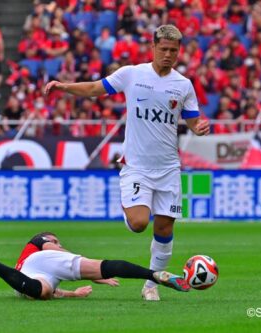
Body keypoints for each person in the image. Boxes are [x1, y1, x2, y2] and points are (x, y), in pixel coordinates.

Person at [44, 25, 209, 301]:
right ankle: (128, 204)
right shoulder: (132, 74)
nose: (168, 55)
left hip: (168, 167)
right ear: (153, 47)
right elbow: (96, 88)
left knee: (165, 228)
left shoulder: (183, 85)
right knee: (139, 223)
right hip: (137, 167)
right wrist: (65, 87)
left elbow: (192, 119)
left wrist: (198, 127)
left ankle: (151, 283)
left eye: (174, 51)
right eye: (164, 49)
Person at [0, 232, 190, 300]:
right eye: (56, 240)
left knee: (43, 292)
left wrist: (74, 293)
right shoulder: (40, 244)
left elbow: (55, 291)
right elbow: (55, 252)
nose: (59, 243)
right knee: (104, 267)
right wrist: (89, 270)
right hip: (35, 268)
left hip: (28, 280)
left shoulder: (30, 267)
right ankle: (153, 275)